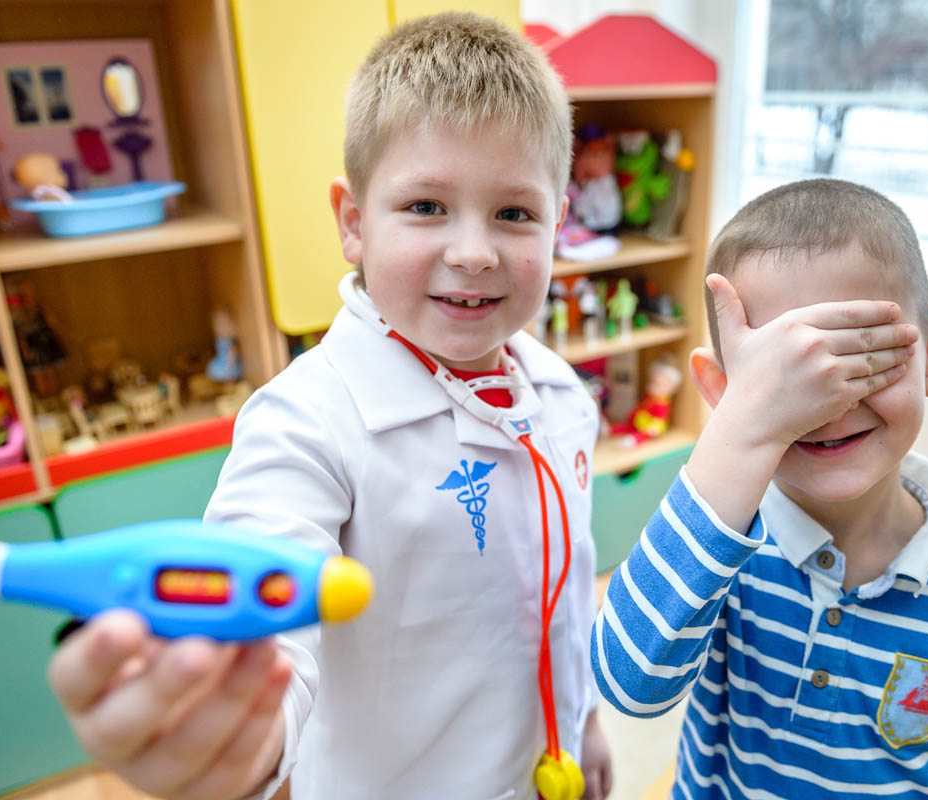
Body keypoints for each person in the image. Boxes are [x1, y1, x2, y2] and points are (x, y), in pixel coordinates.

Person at [46, 13, 614, 800]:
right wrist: (238, 736)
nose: (476, 251)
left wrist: (580, 723)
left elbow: (565, 588)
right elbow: (267, 592)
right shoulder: (304, 422)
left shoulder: (558, 392)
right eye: (425, 206)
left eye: (515, 214)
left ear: (557, 224)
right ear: (353, 222)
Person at [592, 178, 928, 798]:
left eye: (864, 357)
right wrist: (742, 431)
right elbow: (628, 683)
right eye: (784, 378)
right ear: (724, 391)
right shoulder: (715, 555)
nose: (827, 409)